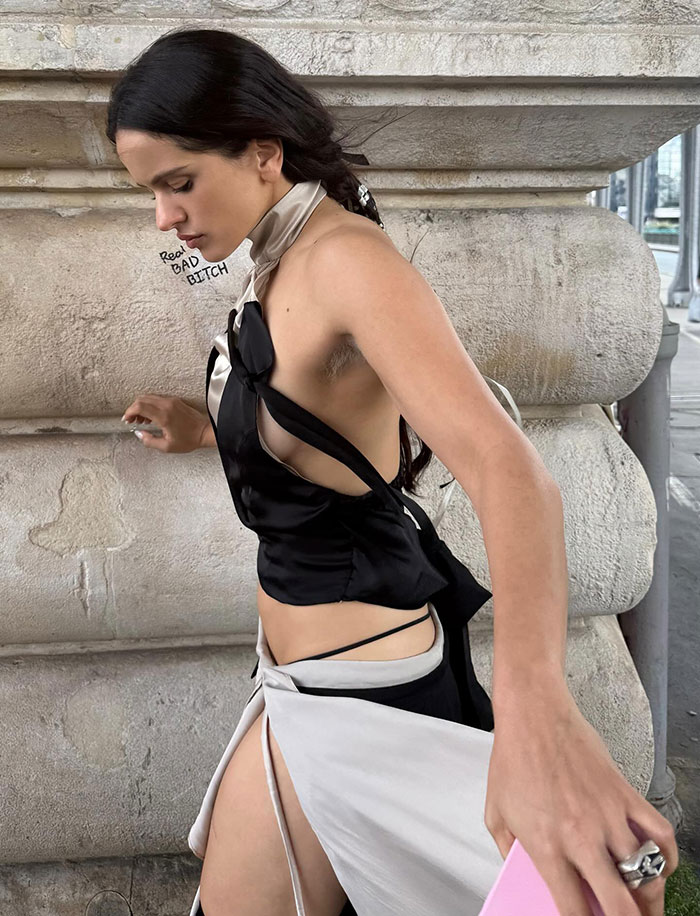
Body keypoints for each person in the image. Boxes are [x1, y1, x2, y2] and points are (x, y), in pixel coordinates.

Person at [106, 26, 677, 916]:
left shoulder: (345, 261)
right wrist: (204, 428)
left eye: (179, 183)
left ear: (263, 151)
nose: (164, 218)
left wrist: (538, 720)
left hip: (359, 696)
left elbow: (509, 469)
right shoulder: (280, 252)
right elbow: (320, 431)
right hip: (305, 686)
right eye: (151, 192)